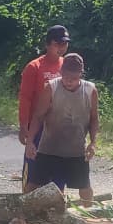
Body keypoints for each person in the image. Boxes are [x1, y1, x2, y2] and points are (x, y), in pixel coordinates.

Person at [23, 52, 99, 204]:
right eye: (65, 77)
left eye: (73, 78)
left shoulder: (90, 91)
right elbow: (38, 116)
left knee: (85, 189)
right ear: (61, 73)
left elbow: (94, 119)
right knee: (32, 185)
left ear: (80, 75)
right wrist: (30, 142)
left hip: (76, 149)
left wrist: (93, 143)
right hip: (49, 147)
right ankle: (23, 214)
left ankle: (90, 217)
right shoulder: (51, 87)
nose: (69, 82)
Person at [19, 25, 71, 193]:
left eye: (65, 44)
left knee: (59, 171)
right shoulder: (34, 67)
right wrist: (23, 126)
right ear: (48, 44)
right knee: (34, 172)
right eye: (58, 44)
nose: (62, 48)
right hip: (38, 128)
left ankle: (55, 209)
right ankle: (24, 212)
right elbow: (25, 99)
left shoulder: (67, 66)